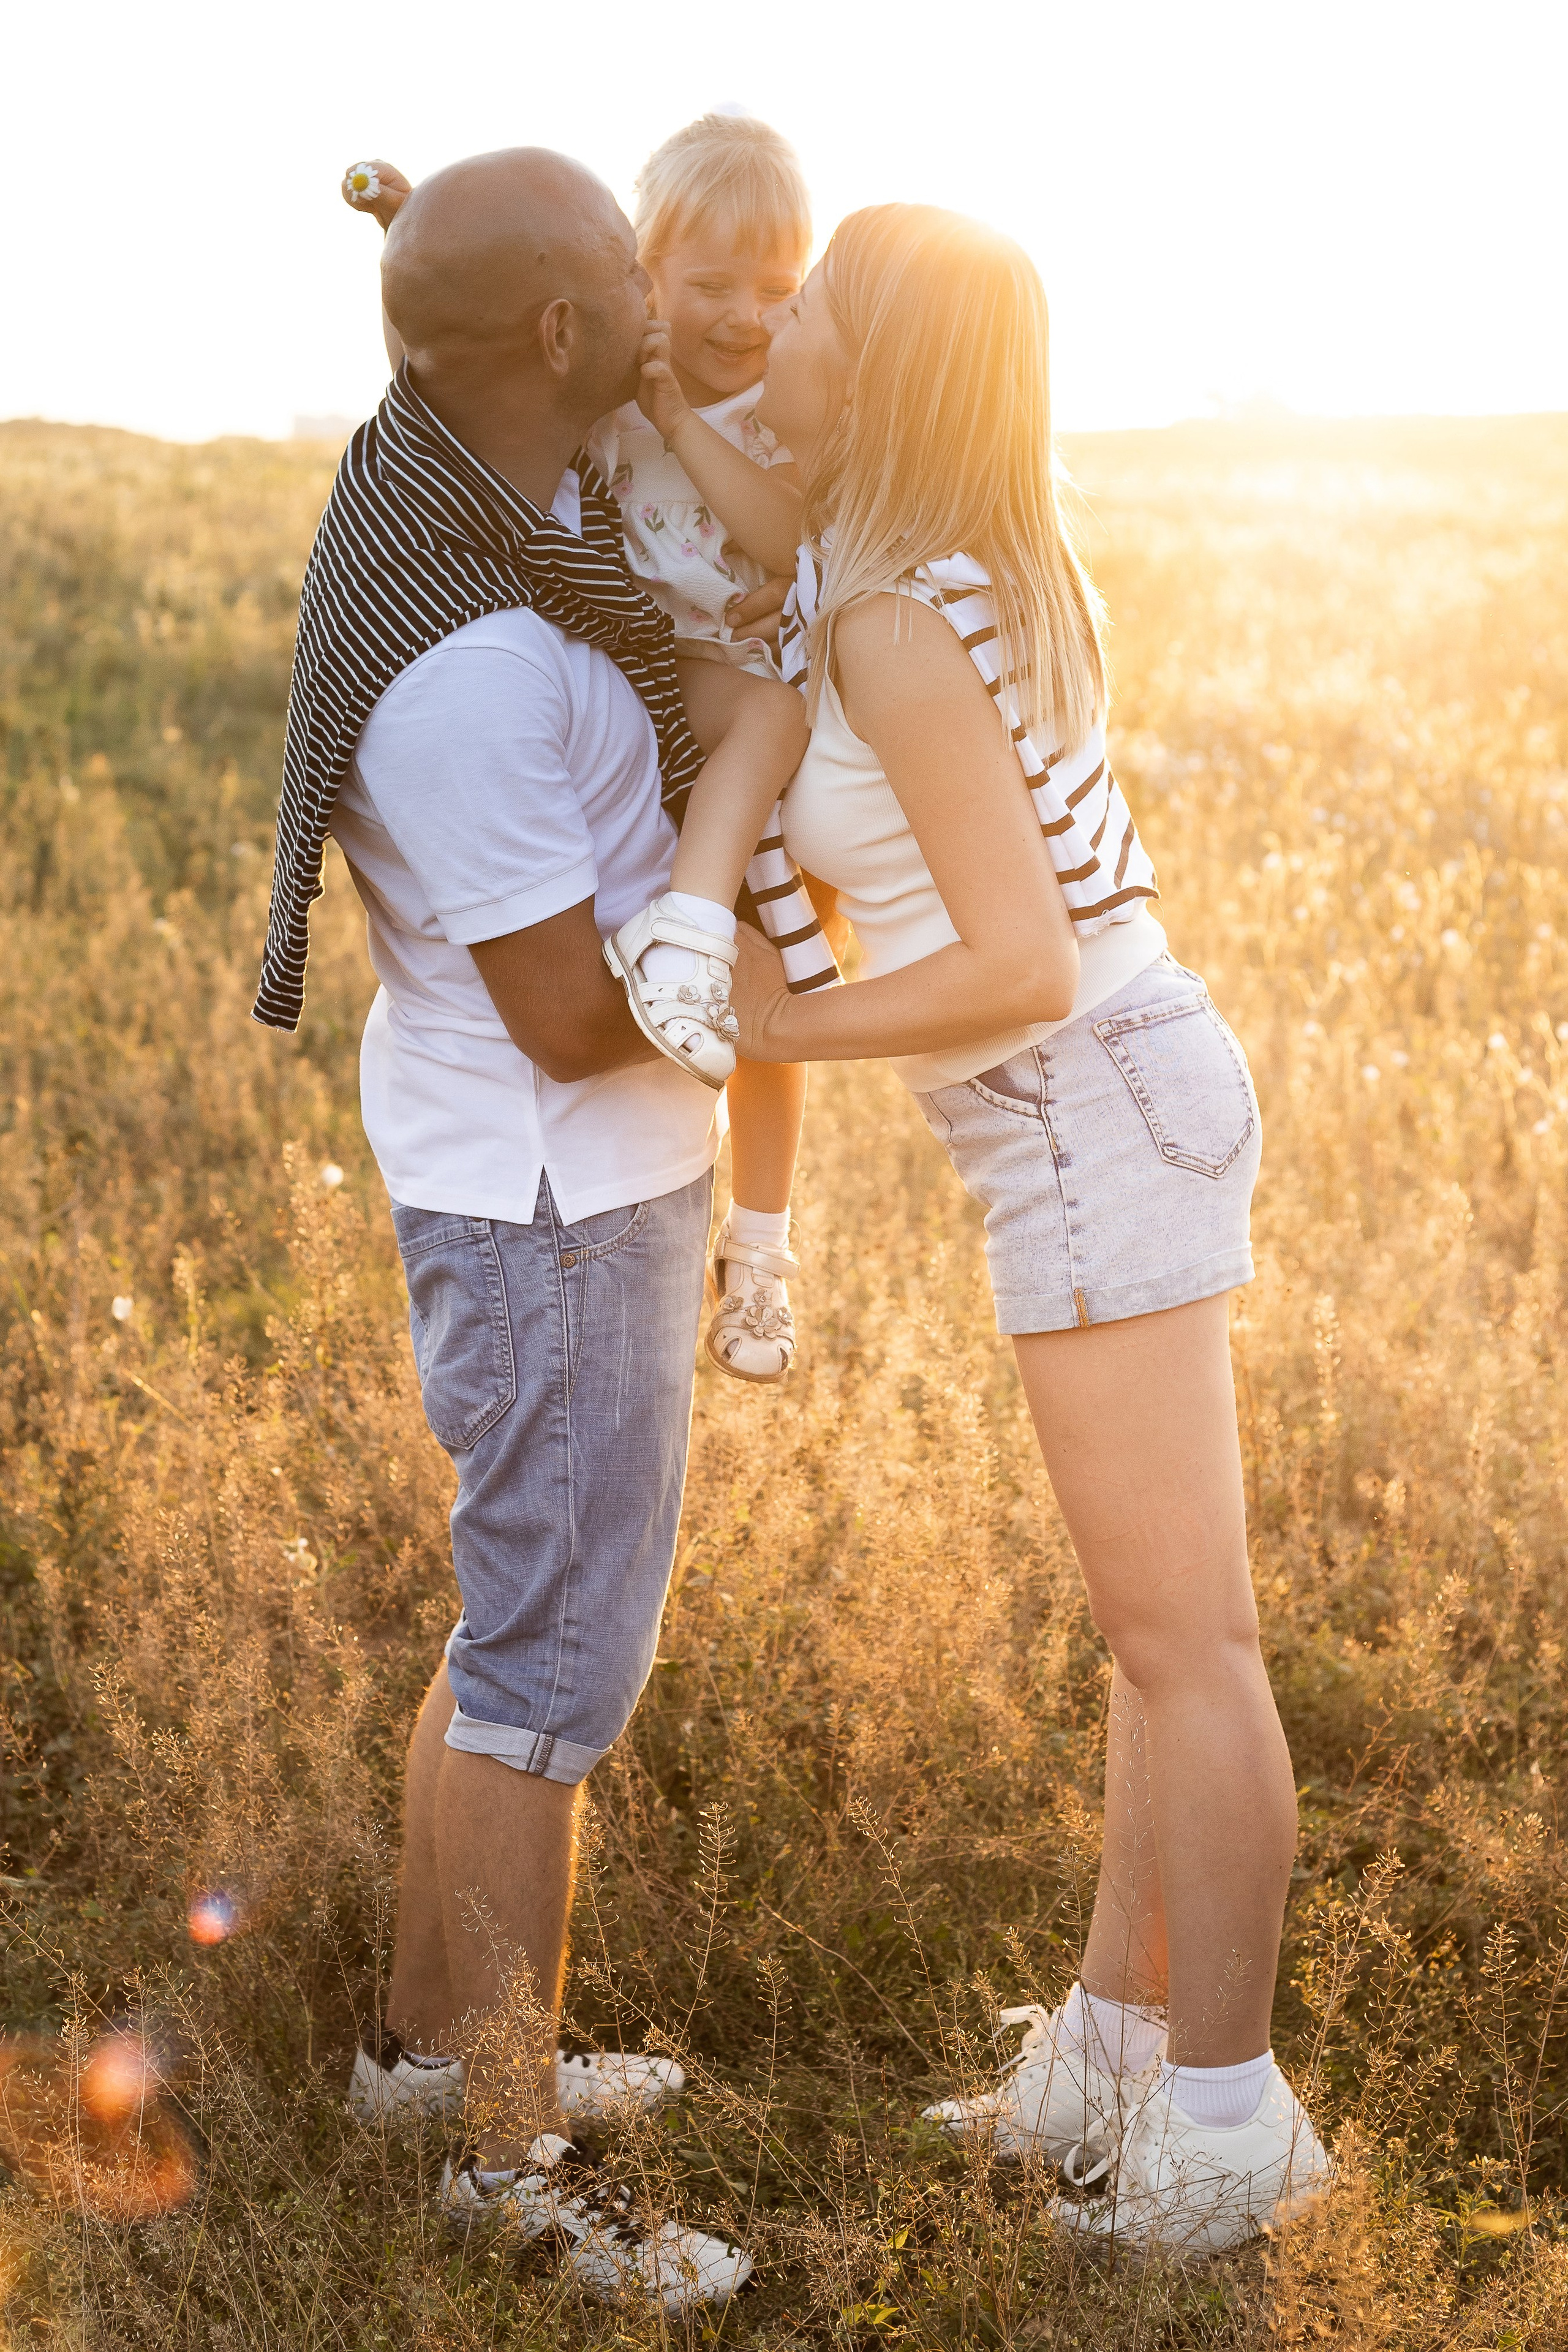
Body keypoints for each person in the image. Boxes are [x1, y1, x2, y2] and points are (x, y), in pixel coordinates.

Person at [658, 202, 1332, 2254]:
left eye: (814, 317)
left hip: (1084, 1088)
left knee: (1186, 1646)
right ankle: (1121, 2047)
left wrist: (776, 1018)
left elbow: (1020, 962)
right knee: (1153, 1640)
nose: (774, 338)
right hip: (1110, 1090)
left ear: (881, 369)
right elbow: (730, 476)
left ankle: (1228, 2128)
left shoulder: (887, 616)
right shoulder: (922, 554)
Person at [253, 147, 753, 2312]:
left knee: (508, 1636)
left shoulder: (490, 475)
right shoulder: (461, 658)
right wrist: (794, 985)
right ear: (559, 338)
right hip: (554, 1200)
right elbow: (571, 1012)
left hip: (551, 1185)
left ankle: (424, 2054)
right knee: (547, 1675)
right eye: (625, 283)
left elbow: (517, 278)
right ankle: (504, 2162)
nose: (662, 300)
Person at [342, 116, 834, 1385]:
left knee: (775, 966)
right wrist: (408, 227)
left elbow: (782, 544)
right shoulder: (579, 418)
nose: (741, 316)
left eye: (777, 291)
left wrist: (681, 414)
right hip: (546, 1162)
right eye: (690, 282)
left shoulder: (741, 412)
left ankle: (763, 1241)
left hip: (714, 709)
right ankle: (686, 948)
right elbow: (457, 348)